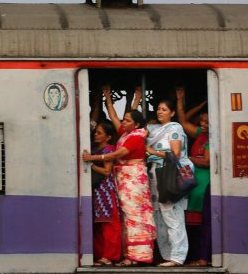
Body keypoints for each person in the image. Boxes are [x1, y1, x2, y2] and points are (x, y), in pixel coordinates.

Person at [83, 106, 155, 266]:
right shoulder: (126, 134)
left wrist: (92, 157)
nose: (123, 122)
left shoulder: (135, 138)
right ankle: (128, 255)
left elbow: (117, 154)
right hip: (125, 178)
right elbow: (114, 116)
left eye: (128, 120)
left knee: (135, 216)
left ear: (136, 125)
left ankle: (137, 256)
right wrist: (107, 98)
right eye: (124, 119)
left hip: (134, 180)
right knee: (126, 217)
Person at [146, 98, 193, 267]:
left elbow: (176, 154)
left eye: (164, 109)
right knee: (159, 215)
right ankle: (167, 256)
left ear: (172, 113)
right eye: (158, 109)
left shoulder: (175, 128)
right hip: (157, 175)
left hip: (170, 175)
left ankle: (177, 257)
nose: (160, 112)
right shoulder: (154, 130)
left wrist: (152, 151)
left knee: (173, 215)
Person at [176, 89, 211, 266]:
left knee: (200, 223)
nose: (202, 124)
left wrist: (187, 158)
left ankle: (200, 257)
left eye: (206, 122)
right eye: (202, 121)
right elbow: (183, 121)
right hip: (194, 183)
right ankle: (195, 256)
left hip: (203, 183)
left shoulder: (212, 138)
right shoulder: (201, 134)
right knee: (193, 223)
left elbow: (206, 162)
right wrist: (181, 100)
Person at [88, 123, 121, 266]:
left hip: (106, 191)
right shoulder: (95, 149)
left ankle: (110, 256)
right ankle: (101, 255)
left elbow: (107, 171)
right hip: (97, 191)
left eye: (100, 133)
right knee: (99, 225)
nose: (96, 135)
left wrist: (91, 164)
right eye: (96, 132)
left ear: (108, 137)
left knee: (109, 225)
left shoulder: (108, 150)